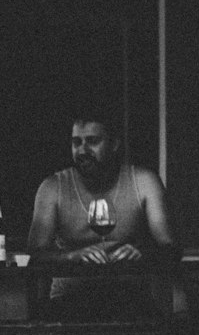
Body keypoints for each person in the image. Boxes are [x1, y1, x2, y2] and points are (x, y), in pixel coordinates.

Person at [27, 110, 180, 321]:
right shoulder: (53, 187)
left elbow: (171, 249)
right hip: (69, 302)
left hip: (129, 301)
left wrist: (142, 252)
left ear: (114, 144)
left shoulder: (143, 181)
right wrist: (72, 257)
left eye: (92, 141)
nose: (82, 150)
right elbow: (35, 255)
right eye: (76, 142)